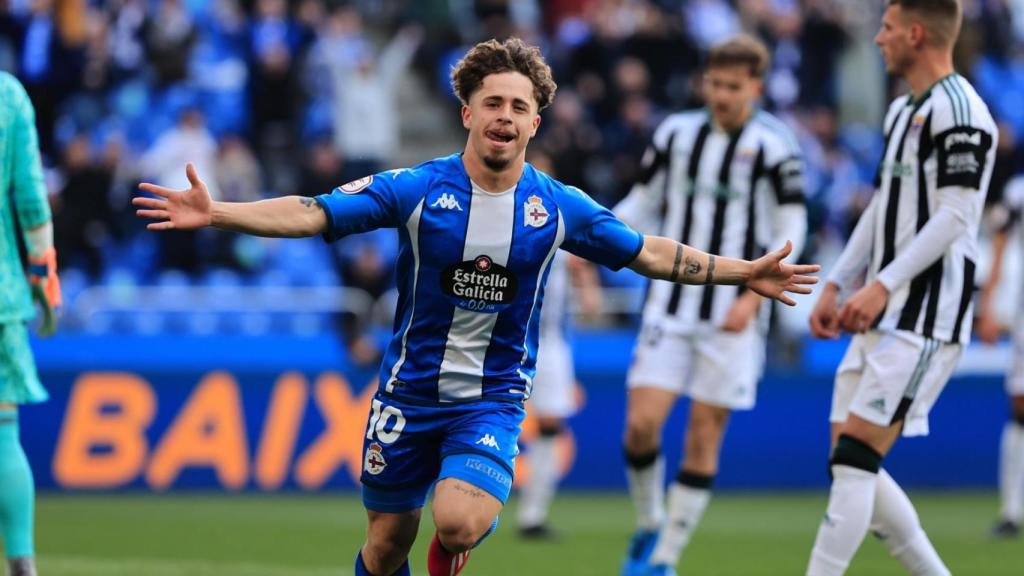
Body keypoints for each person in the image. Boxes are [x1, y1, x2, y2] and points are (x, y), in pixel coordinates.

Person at [133, 37, 819, 576]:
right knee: (384, 546)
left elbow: (648, 252)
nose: (505, 117)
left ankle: (454, 552)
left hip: (490, 400)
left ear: (535, 123)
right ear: (468, 112)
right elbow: (314, 213)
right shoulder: (416, 189)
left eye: (519, 108)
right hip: (407, 393)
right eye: (493, 103)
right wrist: (219, 211)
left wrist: (743, 274)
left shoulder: (558, 206)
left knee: (458, 521)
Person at [806, 2, 997, 574]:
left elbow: (956, 216)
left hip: (925, 312)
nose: (879, 39)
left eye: (886, 28)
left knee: (856, 457)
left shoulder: (962, 111)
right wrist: (838, 281)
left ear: (915, 33)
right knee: (848, 462)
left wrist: (884, 285)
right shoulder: (900, 113)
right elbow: (883, 208)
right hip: (881, 309)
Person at [612, 35, 808, 576]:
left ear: (756, 88)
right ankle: (651, 522)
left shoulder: (776, 146)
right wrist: (598, 236)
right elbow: (644, 201)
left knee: (704, 432)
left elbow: (792, 224)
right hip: (671, 306)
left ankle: (665, 559)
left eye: (733, 85)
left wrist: (752, 297)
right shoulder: (676, 134)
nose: (721, 94)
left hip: (735, 313)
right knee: (640, 426)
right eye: (714, 83)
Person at [0, 71, 63, 576]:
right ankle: (22, 563)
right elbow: (30, 199)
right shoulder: (7, 95)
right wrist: (45, 278)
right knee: (3, 433)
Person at [976, 174, 1024, 538]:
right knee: (1020, 407)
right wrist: (989, 305)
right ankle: (1011, 510)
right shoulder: (1018, 191)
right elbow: (1001, 241)